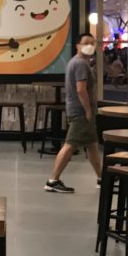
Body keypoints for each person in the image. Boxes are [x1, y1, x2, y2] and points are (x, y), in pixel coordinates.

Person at [45, 33, 102, 193]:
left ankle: (101, 177)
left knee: (92, 145)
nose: (90, 45)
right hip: (80, 112)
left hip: (78, 110)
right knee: (70, 145)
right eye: (86, 43)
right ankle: (53, 180)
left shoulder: (77, 63)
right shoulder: (80, 64)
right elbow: (81, 89)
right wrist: (88, 110)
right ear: (78, 45)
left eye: (92, 42)